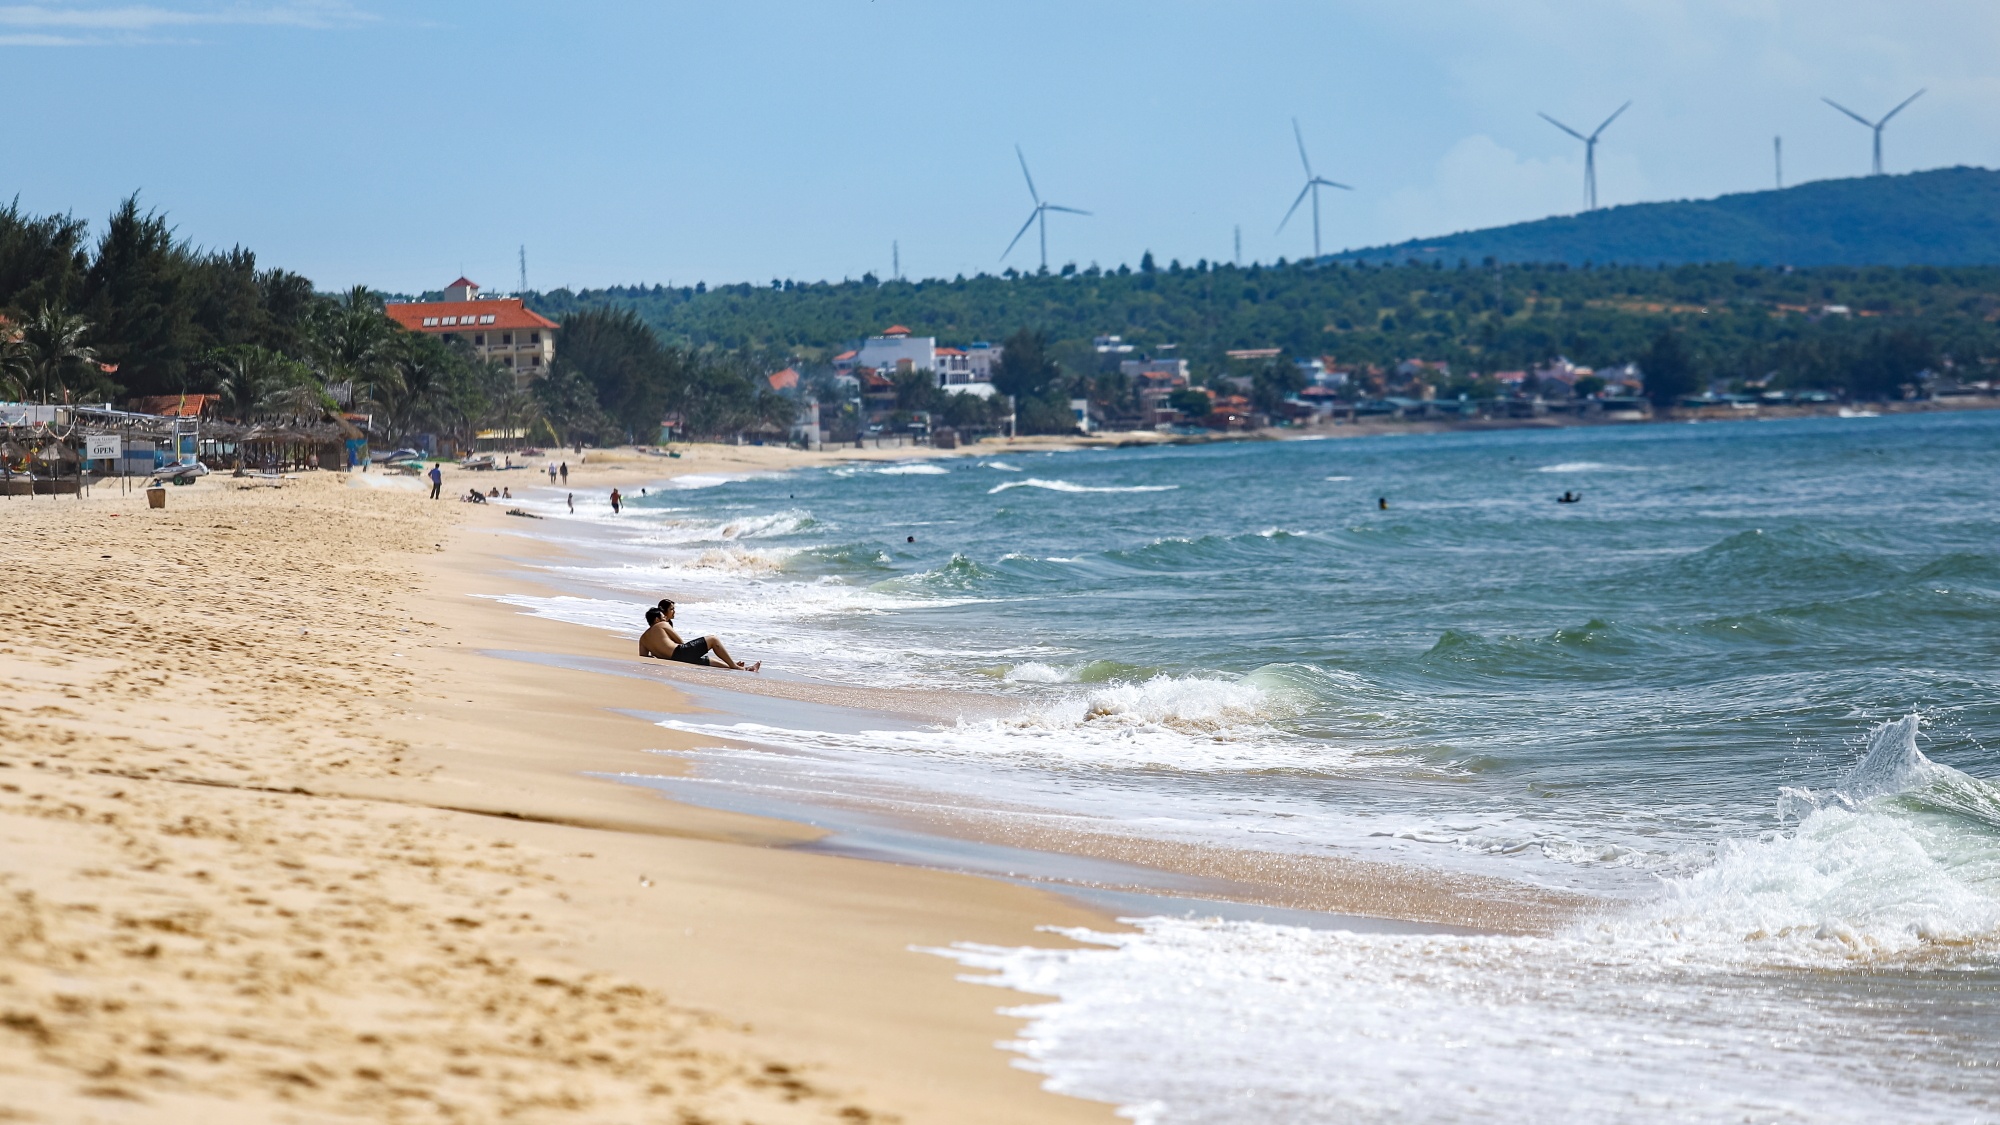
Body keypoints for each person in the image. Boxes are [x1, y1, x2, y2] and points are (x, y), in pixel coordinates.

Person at [641, 601, 759, 671]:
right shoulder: (662, 625)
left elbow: (644, 656)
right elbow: (681, 642)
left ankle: (742, 668)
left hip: (672, 658)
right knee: (713, 639)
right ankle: (734, 666)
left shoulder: (643, 638)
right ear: (657, 619)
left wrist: (660, 652)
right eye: (662, 617)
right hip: (680, 653)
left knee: (709, 661)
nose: (665, 618)